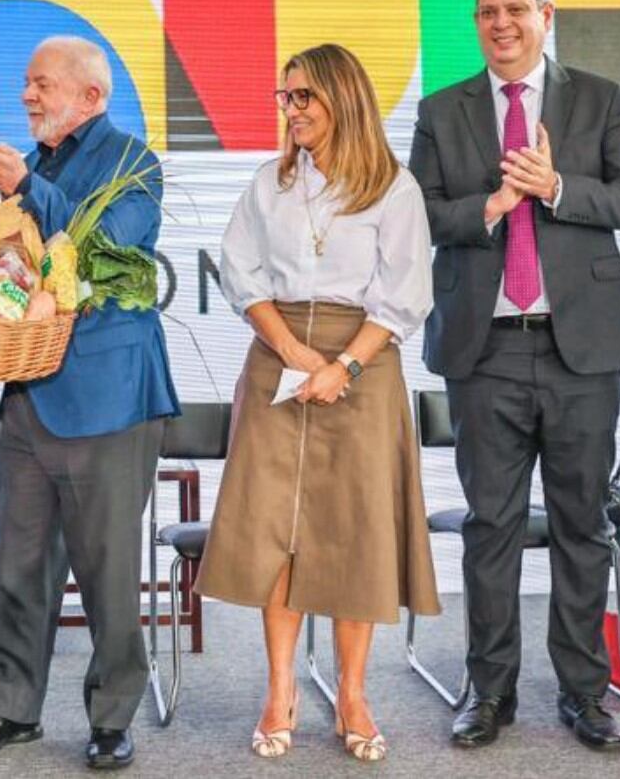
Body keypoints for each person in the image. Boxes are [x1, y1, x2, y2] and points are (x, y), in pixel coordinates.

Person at [407, 0, 620, 752]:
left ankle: (583, 693)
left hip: (581, 349)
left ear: (546, 15)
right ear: (474, 21)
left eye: (515, 9)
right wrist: (490, 204)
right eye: (486, 11)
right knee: (492, 527)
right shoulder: (441, 110)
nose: (500, 23)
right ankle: (489, 691)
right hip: (484, 352)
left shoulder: (597, 97)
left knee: (582, 524)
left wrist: (554, 187)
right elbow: (417, 217)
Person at [197, 43, 440, 763]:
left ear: (343, 98)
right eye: (285, 97)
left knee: (351, 532)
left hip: (362, 364)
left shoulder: (393, 188)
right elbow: (241, 272)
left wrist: (342, 365)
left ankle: (354, 692)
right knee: (278, 529)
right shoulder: (269, 184)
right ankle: (280, 691)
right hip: (277, 355)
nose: (292, 109)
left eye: (303, 96)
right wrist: (294, 353)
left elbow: (405, 293)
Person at [0, 35, 180, 772]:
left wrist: (26, 191)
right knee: (17, 567)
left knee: (108, 573)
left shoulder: (133, 162)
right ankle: (10, 708)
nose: (26, 96)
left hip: (108, 400)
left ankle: (112, 716)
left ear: (91, 95)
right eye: (25, 82)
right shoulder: (37, 162)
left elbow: (109, 248)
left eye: (39, 82)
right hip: (28, 400)